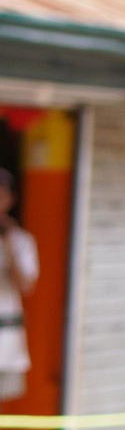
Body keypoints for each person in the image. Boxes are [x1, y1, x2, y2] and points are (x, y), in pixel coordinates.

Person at [0, 171, 37, 405]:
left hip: (6, 338)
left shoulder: (21, 241)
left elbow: (25, 285)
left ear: (10, 199)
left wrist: (9, 244)